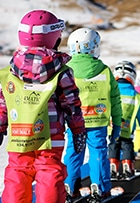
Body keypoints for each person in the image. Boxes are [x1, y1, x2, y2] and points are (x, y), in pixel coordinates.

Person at [0, 10, 87, 203]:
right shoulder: (61, 73)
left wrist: (1, 126)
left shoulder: (8, 73)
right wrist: (78, 130)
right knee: (49, 173)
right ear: (53, 37)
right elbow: (72, 106)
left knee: (17, 173)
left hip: (19, 136)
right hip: (50, 137)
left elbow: (3, 103)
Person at [63, 28, 122, 201]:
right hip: (97, 121)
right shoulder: (104, 71)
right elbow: (115, 100)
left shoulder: (66, 70)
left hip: (74, 122)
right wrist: (117, 123)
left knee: (73, 152)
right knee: (98, 153)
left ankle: (70, 186)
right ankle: (100, 188)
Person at [109, 61, 140, 181]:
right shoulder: (136, 96)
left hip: (112, 127)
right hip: (127, 129)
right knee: (127, 147)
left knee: (113, 146)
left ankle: (113, 169)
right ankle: (127, 168)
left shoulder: (110, 92)